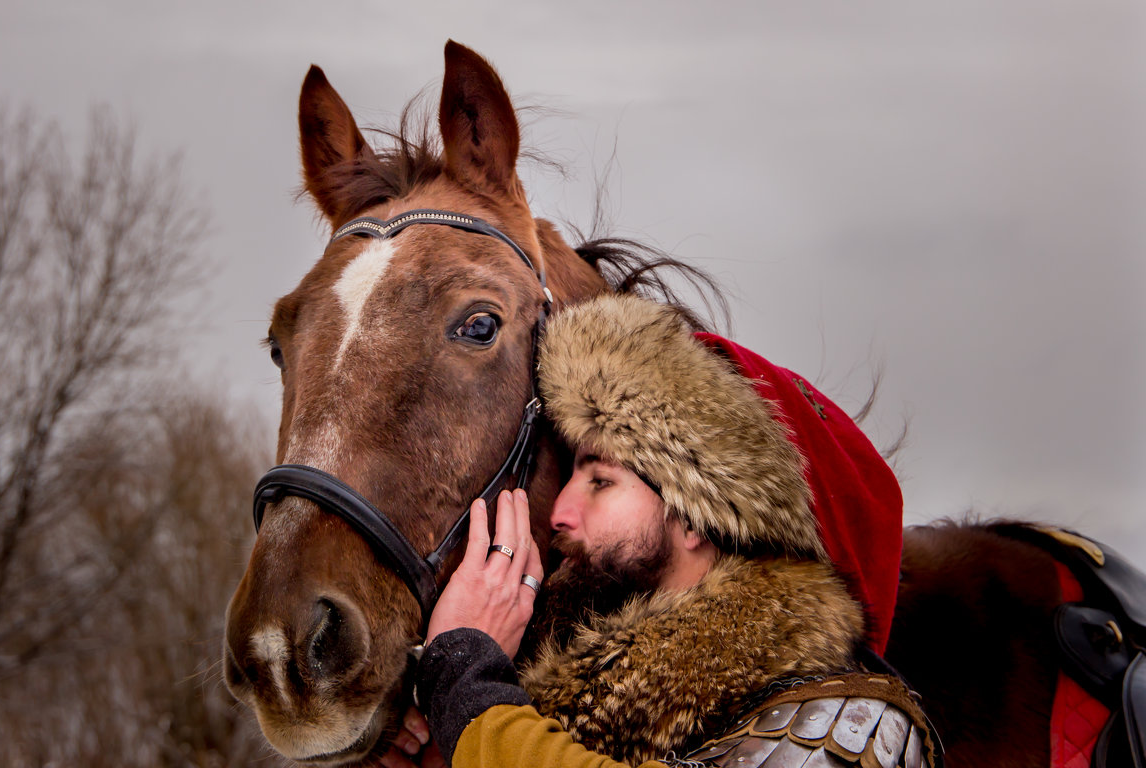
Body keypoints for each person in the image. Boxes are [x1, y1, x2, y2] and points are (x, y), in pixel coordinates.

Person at [389, 294, 937, 768]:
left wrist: (465, 683)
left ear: (696, 514)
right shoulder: (551, 711)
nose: (560, 510)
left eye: (601, 480)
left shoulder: (846, 727)